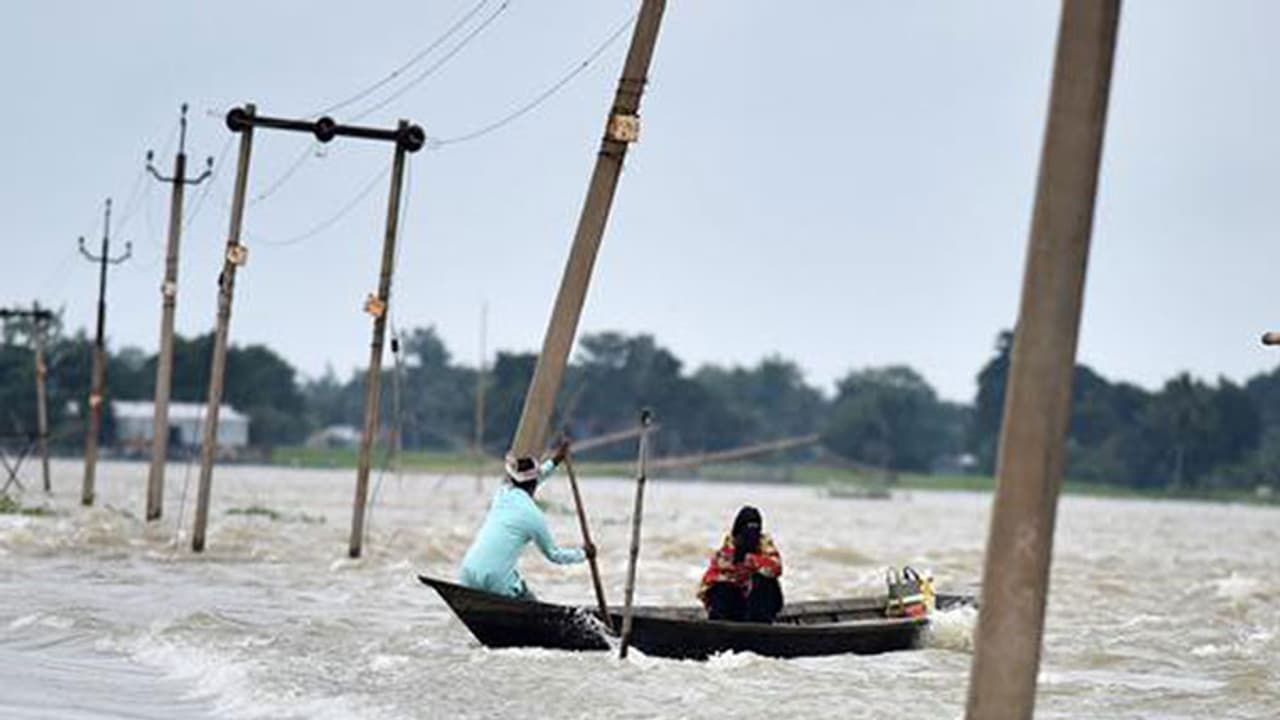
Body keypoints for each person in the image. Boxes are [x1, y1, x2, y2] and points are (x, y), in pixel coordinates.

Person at [458, 440, 594, 600]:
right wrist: (584, 554)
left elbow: (534, 478)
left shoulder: (502, 493)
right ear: (534, 482)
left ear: (513, 479)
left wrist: (555, 461)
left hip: (467, 573)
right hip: (496, 581)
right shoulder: (534, 516)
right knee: (531, 603)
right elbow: (554, 555)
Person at [697, 506, 784, 623]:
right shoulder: (728, 550)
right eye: (748, 527)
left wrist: (750, 561)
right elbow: (712, 579)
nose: (751, 533)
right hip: (734, 606)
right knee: (722, 588)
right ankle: (720, 625)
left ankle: (759, 624)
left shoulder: (764, 545)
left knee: (762, 581)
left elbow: (776, 568)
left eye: (755, 528)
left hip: (759, 608)